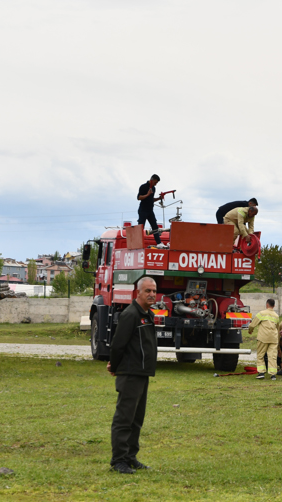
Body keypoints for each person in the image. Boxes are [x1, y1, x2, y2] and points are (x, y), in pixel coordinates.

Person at [107, 277, 158, 474]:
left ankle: (130, 456)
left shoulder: (148, 315)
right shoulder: (130, 315)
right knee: (124, 418)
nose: (152, 294)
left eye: (154, 290)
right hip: (129, 373)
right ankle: (118, 460)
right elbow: (118, 344)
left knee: (137, 419)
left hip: (142, 373)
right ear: (138, 292)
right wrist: (115, 366)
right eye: (148, 291)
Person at [248, 299, 280, 380]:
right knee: (272, 356)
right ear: (274, 306)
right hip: (273, 338)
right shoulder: (276, 315)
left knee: (260, 355)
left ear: (267, 305)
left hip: (263, 338)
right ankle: (273, 375)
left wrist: (250, 331)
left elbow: (252, 325)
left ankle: (261, 372)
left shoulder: (261, 314)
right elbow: (277, 327)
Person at [137, 174, 167, 249]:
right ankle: (138, 243)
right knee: (141, 227)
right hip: (143, 210)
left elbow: (151, 199)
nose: (156, 184)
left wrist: (159, 198)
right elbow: (139, 197)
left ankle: (159, 243)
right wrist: (147, 194)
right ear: (151, 180)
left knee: (155, 227)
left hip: (150, 210)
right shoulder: (143, 186)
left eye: (157, 183)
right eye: (155, 182)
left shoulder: (153, 188)